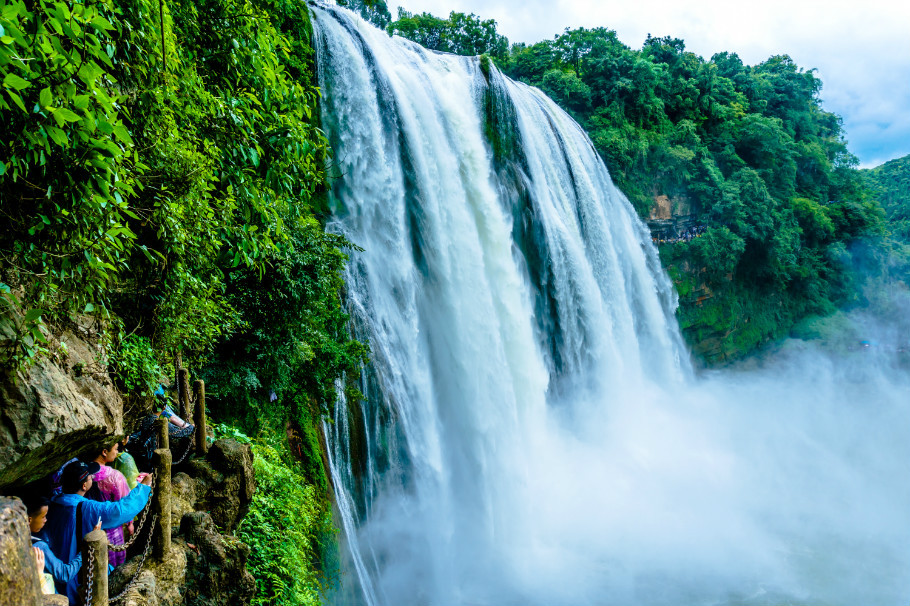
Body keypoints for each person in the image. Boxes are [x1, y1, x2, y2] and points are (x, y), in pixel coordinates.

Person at [41, 460, 152, 604]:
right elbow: (119, 510)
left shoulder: (52, 502)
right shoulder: (86, 508)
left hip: (53, 577)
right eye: (89, 478)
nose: (92, 479)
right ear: (84, 485)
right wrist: (143, 487)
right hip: (79, 579)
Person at [26, 495, 85, 595]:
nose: (45, 520)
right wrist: (84, 551)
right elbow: (64, 574)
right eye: (43, 516)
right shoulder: (39, 547)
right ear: (29, 520)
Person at [87, 442, 134, 566]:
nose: (117, 452)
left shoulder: (82, 472)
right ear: (104, 452)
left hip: (86, 526)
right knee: (114, 565)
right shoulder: (114, 476)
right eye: (116, 449)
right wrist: (130, 523)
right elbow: (125, 504)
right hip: (112, 530)